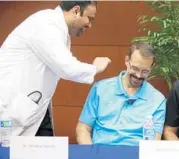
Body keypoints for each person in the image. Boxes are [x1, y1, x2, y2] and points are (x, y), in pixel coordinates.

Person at [0, 1, 111, 136]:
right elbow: (67, 67)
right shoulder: (46, 25)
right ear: (76, 11)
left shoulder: (57, 28)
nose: (89, 24)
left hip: (32, 107)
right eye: (89, 18)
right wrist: (95, 68)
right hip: (12, 106)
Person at [76, 41, 166, 146]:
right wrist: (90, 154)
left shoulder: (157, 100)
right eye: (135, 68)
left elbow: (154, 143)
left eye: (145, 71)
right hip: (101, 153)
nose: (138, 75)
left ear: (152, 67)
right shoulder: (100, 89)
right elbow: (83, 129)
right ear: (127, 60)